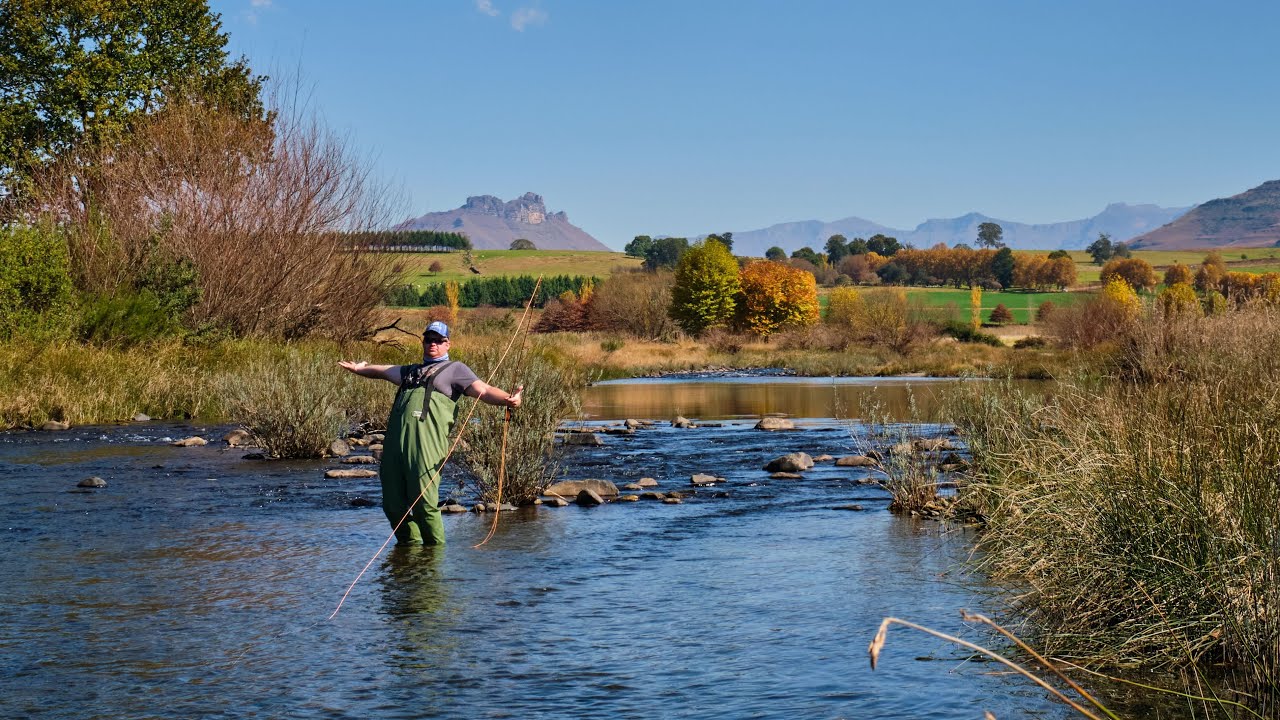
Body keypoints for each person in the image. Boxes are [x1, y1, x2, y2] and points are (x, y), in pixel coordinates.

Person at [338, 321, 522, 545]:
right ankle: (410, 550)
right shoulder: (410, 371)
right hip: (395, 448)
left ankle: (434, 557)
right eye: (429, 339)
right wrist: (359, 369)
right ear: (423, 342)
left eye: (438, 340)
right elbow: (383, 371)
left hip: (427, 447)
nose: (433, 344)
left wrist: (507, 399)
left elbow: (483, 390)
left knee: (424, 503)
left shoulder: (456, 370)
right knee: (392, 505)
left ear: (447, 344)